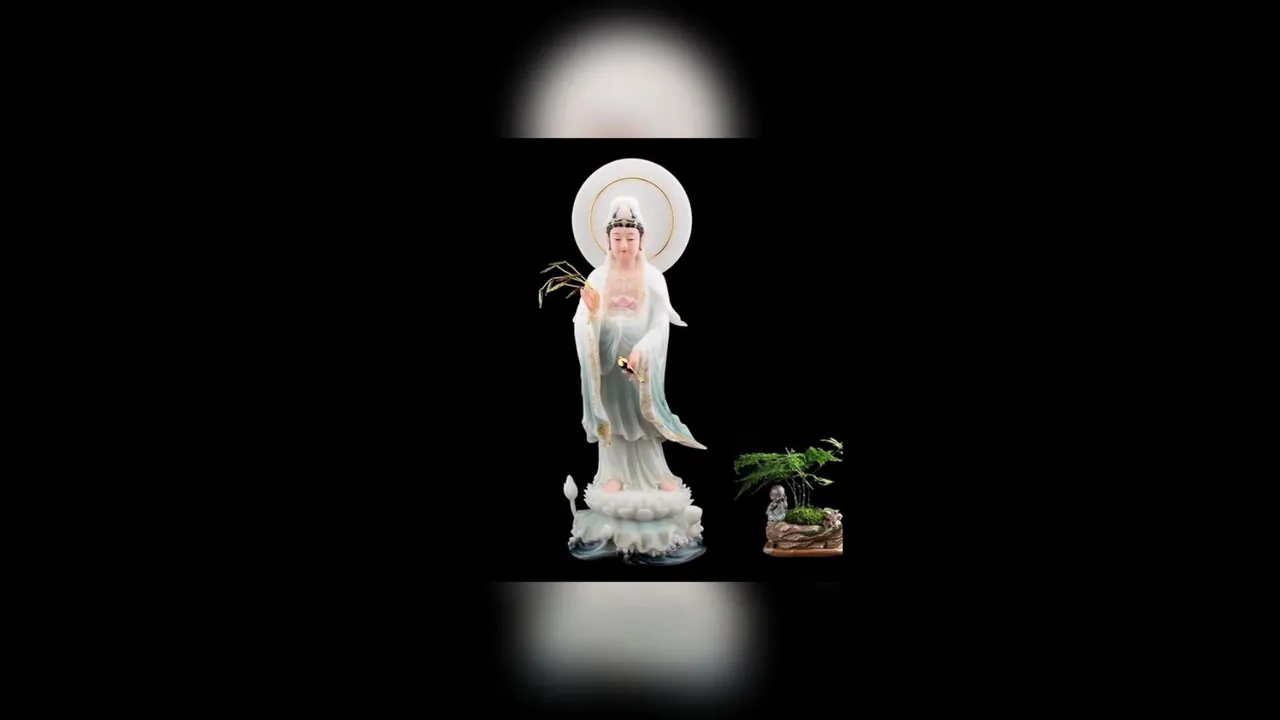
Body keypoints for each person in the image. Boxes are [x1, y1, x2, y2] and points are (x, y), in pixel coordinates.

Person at [573, 195, 705, 497]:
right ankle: (613, 473)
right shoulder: (597, 277)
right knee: (613, 413)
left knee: (642, 415)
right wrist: (592, 313)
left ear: (641, 239)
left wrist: (642, 349)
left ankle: (655, 472)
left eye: (630, 238)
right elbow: (582, 323)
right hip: (608, 361)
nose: (623, 245)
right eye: (617, 238)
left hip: (639, 362)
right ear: (607, 240)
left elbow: (660, 324)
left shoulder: (653, 278)